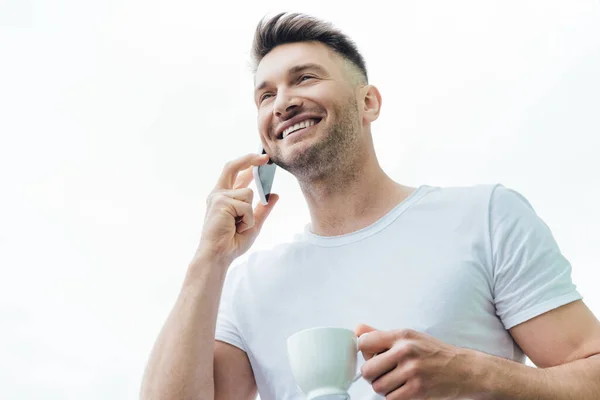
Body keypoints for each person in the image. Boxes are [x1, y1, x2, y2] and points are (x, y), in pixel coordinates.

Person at [140, 12, 600, 400]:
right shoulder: (247, 286)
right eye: (266, 95)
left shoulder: (485, 217)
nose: (282, 102)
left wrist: (469, 371)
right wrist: (209, 259)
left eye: (305, 78)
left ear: (369, 102)